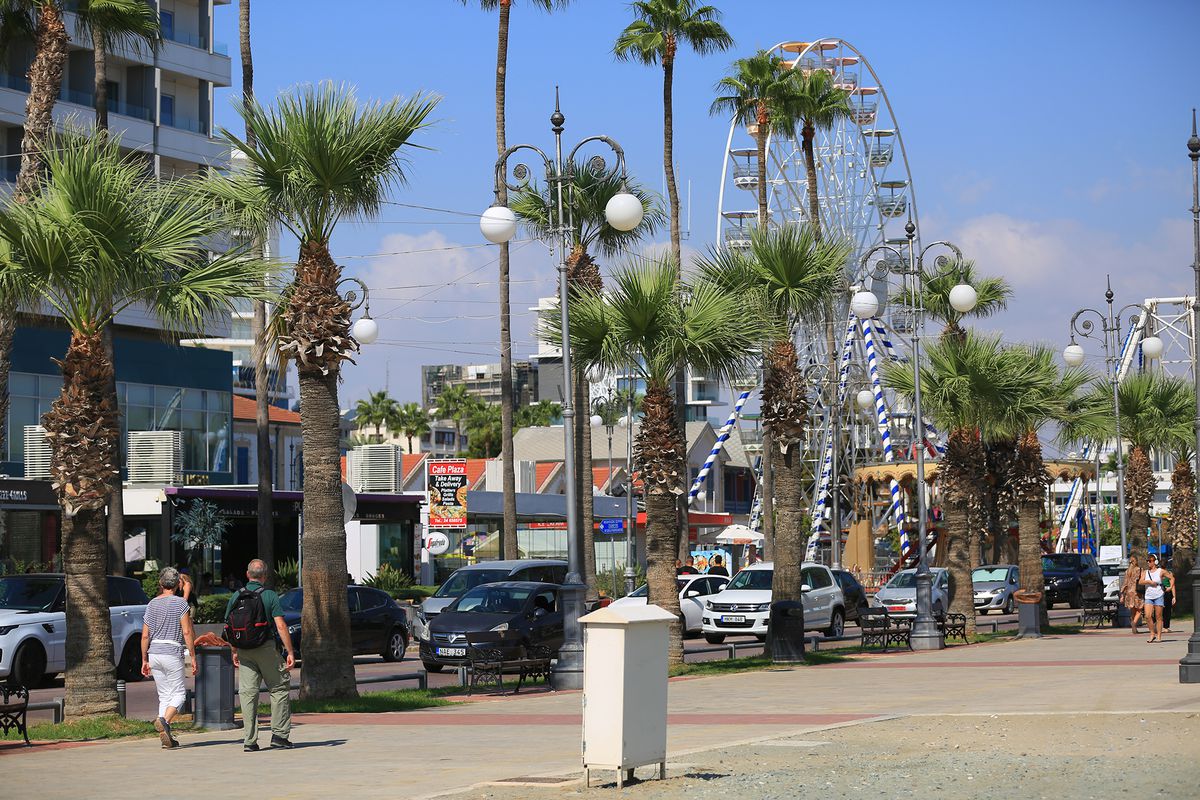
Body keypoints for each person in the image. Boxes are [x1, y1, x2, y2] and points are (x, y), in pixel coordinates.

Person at [225, 558, 296, 751]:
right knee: (279, 688)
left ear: (248, 575)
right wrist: (290, 651)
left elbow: (229, 627)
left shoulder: (235, 596)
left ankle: (249, 741)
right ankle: (279, 736)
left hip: (244, 651)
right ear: (264, 576)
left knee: (248, 694)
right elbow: (280, 625)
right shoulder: (270, 595)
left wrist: (234, 651)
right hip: (265, 648)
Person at [140, 567, 197, 750]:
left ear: (160, 583)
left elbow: (145, 636)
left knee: (164, 695)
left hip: (154, 652)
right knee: (179, 694)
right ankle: (163, 720)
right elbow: (187, 631)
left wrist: (144, 659)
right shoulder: (181, 604)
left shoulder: (152, 604)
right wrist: (193, 655)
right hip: (172, 651)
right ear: (178, 585)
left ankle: (167, 736)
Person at [1140, 554, 1165, 643]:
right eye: (1147, 561)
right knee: (1147, 616)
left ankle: (1158, 636)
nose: (1148, 562)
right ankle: (1152, 633)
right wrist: (1149, 581)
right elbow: (1140, 581)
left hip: (1159, 595)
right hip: (1148, 596)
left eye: (1150, 561)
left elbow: (1171, 578)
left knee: (1158, 617)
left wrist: (1170, 587)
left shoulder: (1160, 571)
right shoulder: (1145, 572)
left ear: (1155, 562)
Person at [1119, 555, 1143, 635]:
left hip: (1129, 593)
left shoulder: (1127, 571)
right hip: (1136, 592)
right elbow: (1141, 580)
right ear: (1136, 561)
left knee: (1132, 610)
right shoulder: (1139, 570)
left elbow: (1124, 583)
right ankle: (1134, 623)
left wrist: (1122, 594)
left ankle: (1134, 627)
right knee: (1139, 609)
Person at [1161, 564, 1177, 633]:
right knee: (1167, 611)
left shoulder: (1157, 573)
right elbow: (1172, 586)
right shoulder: (1169, 574)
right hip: (1167, 593)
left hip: (1159, 593)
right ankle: (1165, 627)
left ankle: (1157, 626)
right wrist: (1174, 597)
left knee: (1158, 610)